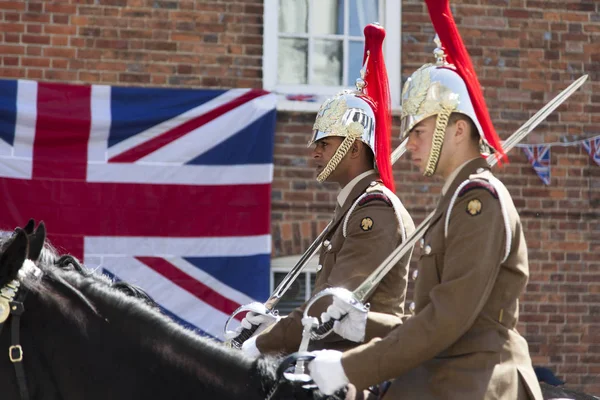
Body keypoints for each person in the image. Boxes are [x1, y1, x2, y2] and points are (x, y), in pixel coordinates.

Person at [306, 1, 544, 399]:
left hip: (478, 377)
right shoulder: (454, 200)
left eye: (418, 130)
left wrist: (350, 367)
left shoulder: (477, 202)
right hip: (447, 369)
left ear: (457, 129)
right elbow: (430, 318)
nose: (408, 143)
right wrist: (364, 324)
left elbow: (449, 320)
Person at [227, 24, 415, 358]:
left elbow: (331, 309)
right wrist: (271, 327)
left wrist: (262, 344)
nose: (314, 154)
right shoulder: (354, 206)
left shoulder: (374, 210)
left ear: (354, 149)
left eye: (324, 144)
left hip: (359, 367)